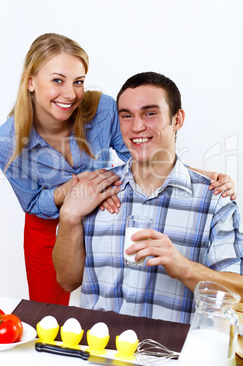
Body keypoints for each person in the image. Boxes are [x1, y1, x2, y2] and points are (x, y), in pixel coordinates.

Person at [0, 33, 235, 306]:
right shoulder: (7, 141)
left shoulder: (103, 109)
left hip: (103, 201)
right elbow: (34, 202)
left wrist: (199, 174)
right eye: (57, 80)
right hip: (46, 220)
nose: (70, 94)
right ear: (30, 82)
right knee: (47, 311)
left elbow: (140, 155)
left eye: (78, 82)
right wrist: (78, 189)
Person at [53, 71, 243, 323]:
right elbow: (67, 281)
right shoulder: (95, 190)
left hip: (173, 357)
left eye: (150, 113)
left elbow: (238, 293)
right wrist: (68, 216)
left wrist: (183, 266)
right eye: (126, 116)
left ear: (177, 119)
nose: (136, 126)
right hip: (99, 353)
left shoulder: (215, 200)